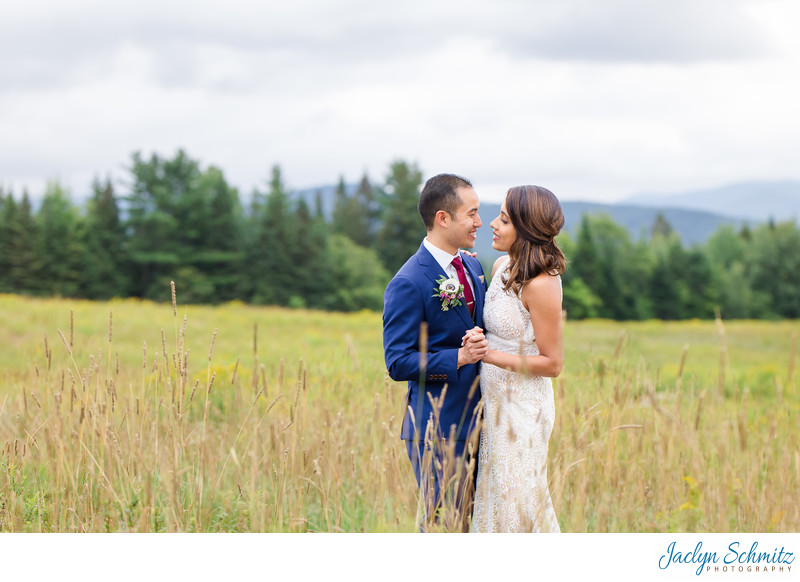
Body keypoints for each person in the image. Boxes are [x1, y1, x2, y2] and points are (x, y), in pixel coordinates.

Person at [382, 173, 489, 531]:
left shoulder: (472, 265)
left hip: (485, 424)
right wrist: (457, 358)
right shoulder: (408, 282)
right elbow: (398, 362)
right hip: (438, 429)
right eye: (471, 213)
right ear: (443, 218)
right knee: (448, 528)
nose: (479, 222)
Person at [469, 184, 565, 533]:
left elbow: (552, 363)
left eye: (504, 219)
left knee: (518, 500)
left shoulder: (542, 283)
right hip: (491, 404)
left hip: (523, 407)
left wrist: (491, 356)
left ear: (525, 229)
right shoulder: (499, 267)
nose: (492, 224)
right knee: (493, 497)